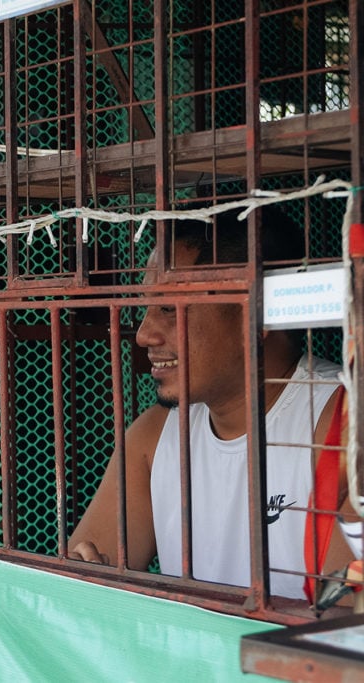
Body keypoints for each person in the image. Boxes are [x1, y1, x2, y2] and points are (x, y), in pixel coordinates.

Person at [67, 205, 355, 601]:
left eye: (169, 308)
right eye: (146, 308)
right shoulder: (153, 439)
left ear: (256, 313)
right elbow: (78, 584)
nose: (144, 335)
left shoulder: (343, 425)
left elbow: (343, 615)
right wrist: (86, 577)